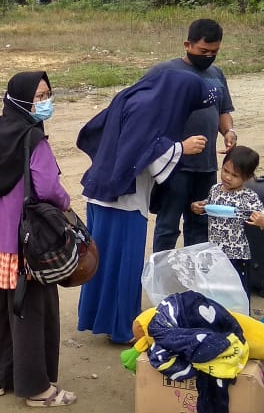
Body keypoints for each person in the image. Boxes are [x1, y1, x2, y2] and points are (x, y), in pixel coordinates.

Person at [76, 69, 215, 344]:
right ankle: (123, 328)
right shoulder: (149, 108)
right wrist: (180, 148)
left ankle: (100, 319)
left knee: (102, 262)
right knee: (124, 264)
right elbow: (141, 151)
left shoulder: (133, 97)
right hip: (124, 200)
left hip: (103, 192)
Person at [0, 71, 77, 407]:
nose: (45, 102)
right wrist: (67, 202)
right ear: (20, 99)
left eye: (47, 94)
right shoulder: (34, 140)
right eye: (38, 96)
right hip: (27, 244)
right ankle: (37, 390)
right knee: (31, 311)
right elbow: (48, 189)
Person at [149, 18, 237, 253]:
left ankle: (194, 275)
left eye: (214, 51)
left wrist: (228, 130)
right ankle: (162, 277)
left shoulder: (216, 74)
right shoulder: (164, 72)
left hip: (206, 166)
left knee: (200, 223)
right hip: (175, 165)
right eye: (203, 51)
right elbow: (143, 111)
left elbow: (223, 110)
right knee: (168, 226)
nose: (209, 56)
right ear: (187, 45)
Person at [189, 145, 264, 296]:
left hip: (236, 256)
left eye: (234, 175)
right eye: (225, 171)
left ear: (247, 178)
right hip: (214, 253)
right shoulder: (215, 189)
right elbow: (208, 204)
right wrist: (197, 207)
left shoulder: (248, 197)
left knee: (236, 295)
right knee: (214, 293)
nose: (227, 177)